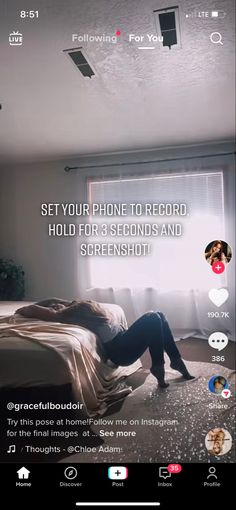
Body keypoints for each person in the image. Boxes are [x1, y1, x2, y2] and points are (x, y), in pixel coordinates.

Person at [16, 299, 194, 388]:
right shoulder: (66, 315)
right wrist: (29, 308)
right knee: (153, 317)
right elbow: (29, 309)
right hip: (121, 351)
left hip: (123, 338)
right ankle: (159, 364)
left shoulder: (75, 307)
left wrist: (50, 301)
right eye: (54, 306)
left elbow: (52, 299)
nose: (56, 305)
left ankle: (175, 360)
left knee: (159, 315)